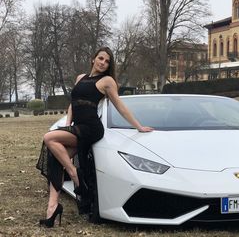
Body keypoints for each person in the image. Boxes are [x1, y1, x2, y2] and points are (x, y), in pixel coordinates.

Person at [37, 47, 153, 227]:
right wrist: (68, 124)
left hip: (91, 128)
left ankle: (74, 175)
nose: (103, 63)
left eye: (107, 61)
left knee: (49, 138)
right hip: (77, 128)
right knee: (55, 160)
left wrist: (138, 126)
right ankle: (52, 210)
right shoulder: (80, 78)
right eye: (100, 58)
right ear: (93, 59)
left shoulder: (107, 81)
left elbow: (120, 106)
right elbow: (73, 105)